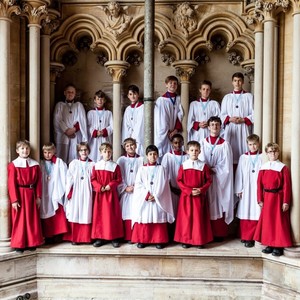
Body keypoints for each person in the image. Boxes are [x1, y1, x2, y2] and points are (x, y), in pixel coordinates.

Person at [131, 145, 175, 249]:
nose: (153, 156)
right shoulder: (141, 169)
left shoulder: (162, 169)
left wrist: (155, 195)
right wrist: (146, 195)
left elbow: (164, 184)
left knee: (157, 217)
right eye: (150, 154)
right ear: (147, 156)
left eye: (155, 154)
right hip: (145, 199)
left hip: (158, 198)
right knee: (144, 217)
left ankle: (159, 240)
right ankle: (142, 240)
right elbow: (138, 184)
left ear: (158, 155)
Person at [254, 143, 292, 256]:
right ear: (267, 153)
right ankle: (269, 244)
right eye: (270, 151)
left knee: (278, 222)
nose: (273, 153)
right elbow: (259, 184)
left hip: (278, 198)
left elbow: (287, 186)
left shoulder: (283, 168)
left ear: (278, 152)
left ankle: (278, 246)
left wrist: (286, 201)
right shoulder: (264, 167)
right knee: (268, 222)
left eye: (275, 151)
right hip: (267, 198)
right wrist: (260, 199)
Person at [199, 116, 234, 241]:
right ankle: (206, 233)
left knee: (219, 203)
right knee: (206, 203)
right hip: (206, 179)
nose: (214, 127)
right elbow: (200, 159)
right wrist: (205, 169)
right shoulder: (202, 143)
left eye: (217, 124)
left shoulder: (225, 144)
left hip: (219, 181)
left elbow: (227, 166)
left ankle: (219, 233)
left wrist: (214, 170)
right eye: (212, 124)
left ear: (220, 127)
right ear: (208, 127)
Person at [174, 141, 213, 248]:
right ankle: (186, 240)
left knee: (198, 219)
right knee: (186, 219)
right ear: (187, 152)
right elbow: (179, 181)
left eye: (196, 150)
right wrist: (189, 191)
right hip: (187, 196)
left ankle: (199, 240)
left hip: (199, 196)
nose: (194, 152)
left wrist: (201, 189)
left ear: (200, 151)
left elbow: (209, 181)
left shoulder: (203, 166)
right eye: (192, 150)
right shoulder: (184, 165)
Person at [7, 140, 43, 253]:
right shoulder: (13, 165)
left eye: (27, 148)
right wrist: (14, 199)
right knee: (20, 219)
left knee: (32, 219)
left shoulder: (35, 165)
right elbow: (11, 183)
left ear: (29, 150)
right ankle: (19, 244)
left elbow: (39, 182)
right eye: (22, 149)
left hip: (31, 194)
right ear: (17, 151)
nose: (25, 151)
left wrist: (38, 196)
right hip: (20, 194)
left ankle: (32, 242)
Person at [91, 143, 123, 248]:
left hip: (111, 194)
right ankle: (100, 238)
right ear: (101, 153)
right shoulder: (96, 166)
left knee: (111, 216)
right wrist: (99, 187)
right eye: (105, 151)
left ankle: (114, 237)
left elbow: (118, 179)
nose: (107, 153)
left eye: (109, 151)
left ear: (112, 152)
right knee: (100, 216)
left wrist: (110, 185)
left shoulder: (115, 166)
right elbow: (93, 179)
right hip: (100, 194)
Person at [234, 134, 263, 248]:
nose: (253, 147)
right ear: (247, 145)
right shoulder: (243, 157)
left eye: (255, 144)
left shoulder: (262, 156)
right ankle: (246, 237)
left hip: (258, 188)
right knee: (246, 210)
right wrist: (239, 189)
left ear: (258, 144)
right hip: (246, 188)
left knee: (256, 211)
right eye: (250, 144)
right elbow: (239, 173)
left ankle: (255, 237)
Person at [64, 142, 94, 244]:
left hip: (87, 191)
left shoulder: (93, 164)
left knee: (86, 212)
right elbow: (69, 178)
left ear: (88, 151)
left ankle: (86, 238)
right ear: (78, 152)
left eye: (85, 150)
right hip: (76, 190)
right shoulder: (74, 164)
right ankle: (75, 238)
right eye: (81, 150)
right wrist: (69, 191)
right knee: (75, 212)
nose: (84, 152)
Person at [220, 72, 254, 164]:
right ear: (232, 82)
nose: (237, 83)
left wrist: (243, 119)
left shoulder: (249, 97)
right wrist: (230, 119)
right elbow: (222, 114)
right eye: (235, 81)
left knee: (244, 150)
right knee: (229, 153)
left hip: (243, 127)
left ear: (243, 82)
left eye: (239, 81)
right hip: (230, 128)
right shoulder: (227, 97)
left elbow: (254, 113)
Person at [40, 143, 68, 243]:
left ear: (54, 151)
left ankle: (58, 234)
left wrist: (56, 160)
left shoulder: (58, 162)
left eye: (50, 152)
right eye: (45, 152)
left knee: (56, 209)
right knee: (45, 210)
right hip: (45, 190)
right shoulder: (41, 163)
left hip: (55, 190)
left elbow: (64, 172)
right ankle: (48, 235)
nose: (47, 155)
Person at [116, 138, 144, 242]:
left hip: (137, 191)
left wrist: (137, 187)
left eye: (132, 145)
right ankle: (127, 236)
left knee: (136, 212)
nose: (130, 147)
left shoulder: (141, 159)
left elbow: (143, 175)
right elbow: (119, 176)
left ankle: (136, 236)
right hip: (126, 191)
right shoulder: (121, 160)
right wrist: (125, 187)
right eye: (127, 146)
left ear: (135, 146)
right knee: (126, 212)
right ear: (124, 148)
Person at [53, 84, 88, 164]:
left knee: (74, 157)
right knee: (61, 159)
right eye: (68, 92)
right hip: (63, 135)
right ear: (65, 93)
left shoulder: (78, 105)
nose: (70, 94)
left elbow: (82, 120)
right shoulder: (60, 105)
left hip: (75, 135)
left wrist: (74, 129)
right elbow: (57, 120)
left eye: (72, 92)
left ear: (75, 94)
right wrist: (66, 130)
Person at [154, 75, 184, 158]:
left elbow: (180, 115)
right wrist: (167, 132)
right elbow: (161, 118)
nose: (173, 85)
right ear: (166, 84)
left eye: (175, 83)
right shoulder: (161, 100)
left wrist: (175, 130)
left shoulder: (179, 99)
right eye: (170, 83)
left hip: (174, 131)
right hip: (164, 132)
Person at [161, 133, 188, 217]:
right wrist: (171, 188)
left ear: (183, 143)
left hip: (184, 190)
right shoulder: (167, 156)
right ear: (172, 143)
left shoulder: (187, 156)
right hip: (171, 189)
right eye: (175, 142)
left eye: (180, 142)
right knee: (172, 212)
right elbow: (164, 174)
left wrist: (184, 188)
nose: (178, 145)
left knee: (183, 213)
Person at [87, 90, 113, 162]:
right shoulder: (91, 113)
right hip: (94, 140)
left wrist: (104, 131)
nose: (100, 101)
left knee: (104, 156)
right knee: (93, 157)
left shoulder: (109, 113)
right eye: (98, 99)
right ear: (95, 100)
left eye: (101, 99)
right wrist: (95, 132)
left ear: (104, 100)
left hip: (105, 139)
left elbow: (112, 126)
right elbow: (87, 126)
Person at [121, 85, 144, 156]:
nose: (133, 96)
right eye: (130, 94)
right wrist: (128, 138)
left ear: (138, 95)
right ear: (128, 96)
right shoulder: (128, 109)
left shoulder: (142, 107)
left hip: (138, 139)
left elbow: (140, 124)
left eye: (134, 94)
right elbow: (125, 125)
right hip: (129, 137)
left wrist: (133, 138)